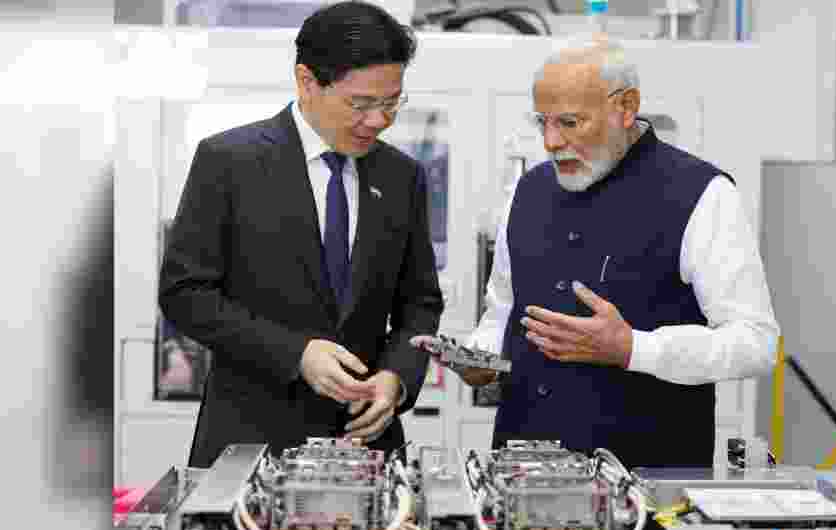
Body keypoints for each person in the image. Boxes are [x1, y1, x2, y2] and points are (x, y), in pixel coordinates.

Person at [414, 36, 779, 469]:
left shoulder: (702, 194)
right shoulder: (528, 192)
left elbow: (756, 343)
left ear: (625, 107)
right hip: (519, 477)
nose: (550, 142)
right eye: (543, 123)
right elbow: (503, 310)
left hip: (647, 482)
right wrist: (479, 358)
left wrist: (633, 349)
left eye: (570, 123)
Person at [160, 1, 444, 469]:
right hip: (251, 441)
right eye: (361, 104)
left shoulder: (401, 177)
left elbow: (420, 305)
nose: (378, 120)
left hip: (363, 446)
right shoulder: (229, 162)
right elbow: (185, 294)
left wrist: (396, 378)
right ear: (307, 81)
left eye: (391, 103)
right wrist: (296, 354)